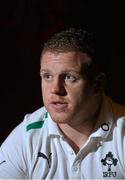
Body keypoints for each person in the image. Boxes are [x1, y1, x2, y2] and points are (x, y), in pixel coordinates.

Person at [0, 28, 125, 179]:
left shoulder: (122, 132)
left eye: (69, 77)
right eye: (47, 76)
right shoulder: (25, 139)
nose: (55, 89)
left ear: (97, 84)